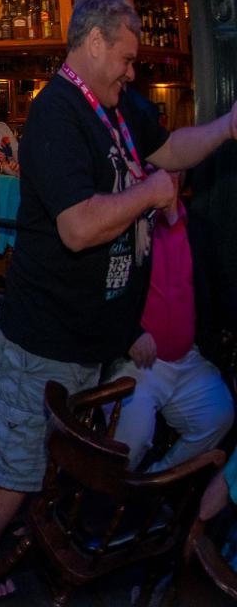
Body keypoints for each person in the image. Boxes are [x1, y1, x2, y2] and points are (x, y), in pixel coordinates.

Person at [0, 0, 237, 599]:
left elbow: (171, 150)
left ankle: (34, 520)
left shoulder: (117, 106)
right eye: (126, 59)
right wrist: (151, 193)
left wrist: (227, 127)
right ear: (93, 43)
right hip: (46, 333)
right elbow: (78, 228)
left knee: (63, 454)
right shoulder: (56, 115)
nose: (132, 72)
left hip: (99, 336)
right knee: (21, 456)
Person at [105, 176, 233, 471]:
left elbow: (222, 292)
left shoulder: (198, 229)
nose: (166, 175)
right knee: (131, 441)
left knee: (219, 414)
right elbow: (101, 290)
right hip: (135, 363)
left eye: (174, 169)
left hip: (188, 359)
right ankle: (111, 491)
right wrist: (130, 334)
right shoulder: (126, 223)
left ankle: (154, 482)